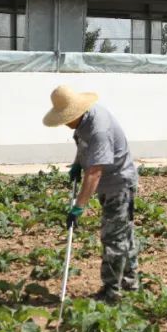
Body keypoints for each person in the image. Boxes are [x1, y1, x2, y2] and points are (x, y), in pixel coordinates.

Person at [43, 85, 140, 303]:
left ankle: (112, 291)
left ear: (76, 113)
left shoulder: (99, 129)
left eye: (65, 118)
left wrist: (78, 207)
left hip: (118, 184)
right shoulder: (82, 123)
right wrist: (78, 163)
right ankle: (130, 283)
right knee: (123, 234)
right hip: (108, 183)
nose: (65, 123)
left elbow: (95, 172)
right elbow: (85, 148)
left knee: (114, 237)